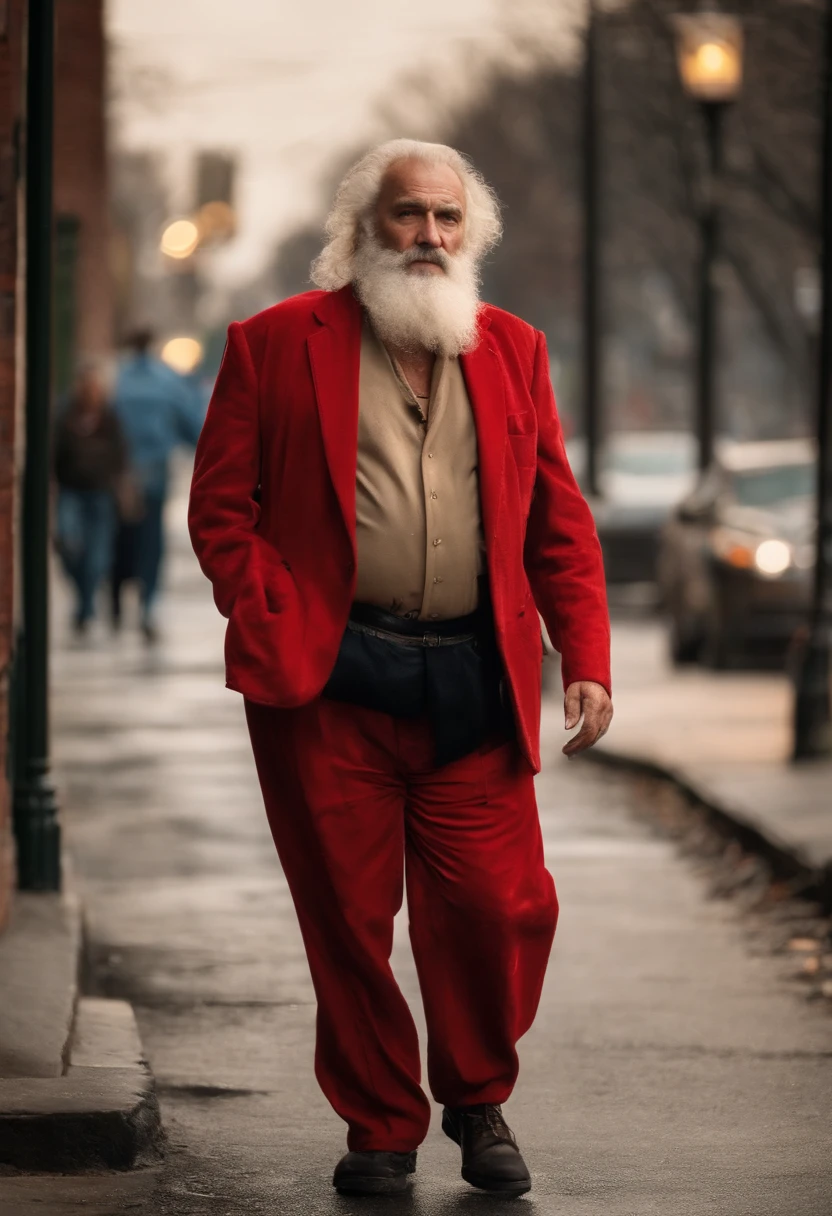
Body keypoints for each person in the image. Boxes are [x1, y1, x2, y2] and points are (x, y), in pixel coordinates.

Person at [189, 139, 613, 1198]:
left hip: (472, 675)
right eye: (406, 216)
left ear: (470, 234)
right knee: (346, 912)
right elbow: (218, 509)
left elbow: (559, 520)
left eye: (445, 218)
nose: (427, 236)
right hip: (329, 679)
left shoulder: (512, 348)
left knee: (497, 905)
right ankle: (379, 1121)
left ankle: (476, 1093)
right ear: (362, 228)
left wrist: (586, 653)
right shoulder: (275, 341)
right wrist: (270, 604)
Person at [112, 329, 204, 641]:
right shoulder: (166, 381)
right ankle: (148, 604)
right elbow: (192, 424)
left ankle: (114, 603)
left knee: (121, 538)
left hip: (120, 474)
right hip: (154, 472)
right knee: (151, 543)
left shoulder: (118, 379)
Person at [54, 363, 128, 634]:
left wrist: (119, 485)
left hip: (100, 494)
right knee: (68, 547)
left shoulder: (109, 417)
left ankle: (85, 609)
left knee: (97, 558)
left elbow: (121, 454)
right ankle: (84, 602)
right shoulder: (65, 416)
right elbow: (54, 451)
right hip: (71, 491)